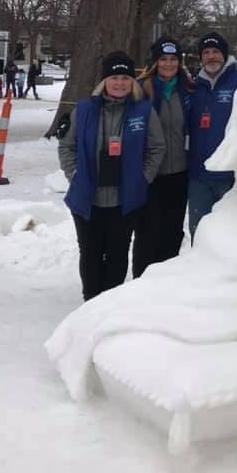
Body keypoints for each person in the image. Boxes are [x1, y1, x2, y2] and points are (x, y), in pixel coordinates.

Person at [46, 11, 237, 419]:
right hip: (176, 183)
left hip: (214, 187)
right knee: (135, 251)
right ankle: (102, 300)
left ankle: (121, 293)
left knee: (173, 245)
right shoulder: (148, 96)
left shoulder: (199, 89)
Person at [57, 51, 165, 302]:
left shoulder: (144, 111)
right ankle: (91, 300)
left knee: (118, 253)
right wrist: (74, 174)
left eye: (125, 78)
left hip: (124, 199)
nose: (120, 83)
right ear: (104, 81)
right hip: (88, 197)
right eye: (114, 77)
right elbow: (66, 146)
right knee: (90, 252)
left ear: (132, 82)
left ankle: (109, 304)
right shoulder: (84, 110)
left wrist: (143, 178)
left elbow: (156, 148)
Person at [132, 37, 194, 277]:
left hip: (179, 172)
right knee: (147, 232)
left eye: (173, 59)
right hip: (150, 174)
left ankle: (164, 286)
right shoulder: (140, 88)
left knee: (172, 232)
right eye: (163, 59)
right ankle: (141, 283)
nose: (168, 64)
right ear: (155, 62)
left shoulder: (188, 88)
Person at [187, 31, 237, 242]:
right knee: (199, 234)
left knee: (230, 238)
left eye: (216, 52)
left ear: (225, 54)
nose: (211, 57)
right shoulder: (193, 87)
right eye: (206, 52)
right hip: (199, 177)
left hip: (231, 177)